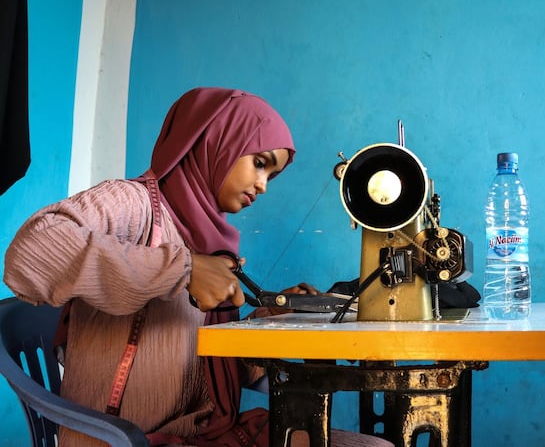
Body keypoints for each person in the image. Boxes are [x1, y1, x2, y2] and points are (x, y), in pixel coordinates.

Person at [3, 87, 391, 447]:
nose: (263, 186)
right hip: (131, 439)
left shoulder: (210, 241)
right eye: (259, 164)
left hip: (205, 432)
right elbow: (30, 254)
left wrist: (269, 317)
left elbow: (205, 376)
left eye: (271, 175)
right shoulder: (135, 204)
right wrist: (182, 269)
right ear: (215, 142)